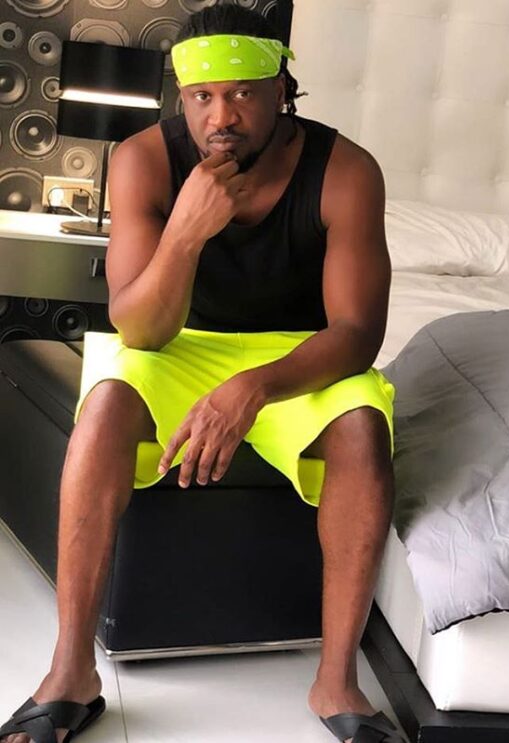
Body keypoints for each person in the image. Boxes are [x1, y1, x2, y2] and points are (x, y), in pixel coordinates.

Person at [0, 5, 402, 743]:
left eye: (243, 93)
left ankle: (337, 681)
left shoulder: (346, 171)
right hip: (176, 343)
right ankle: (70, 673)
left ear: (281, 89)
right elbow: (140, 328)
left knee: (361, 430)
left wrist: (252, 388)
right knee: (104, 407)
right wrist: (186, 232)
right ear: (181, 97)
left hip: (296, 353)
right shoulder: (145, 160)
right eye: (202, 96)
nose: (222, 116)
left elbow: (356, 334)